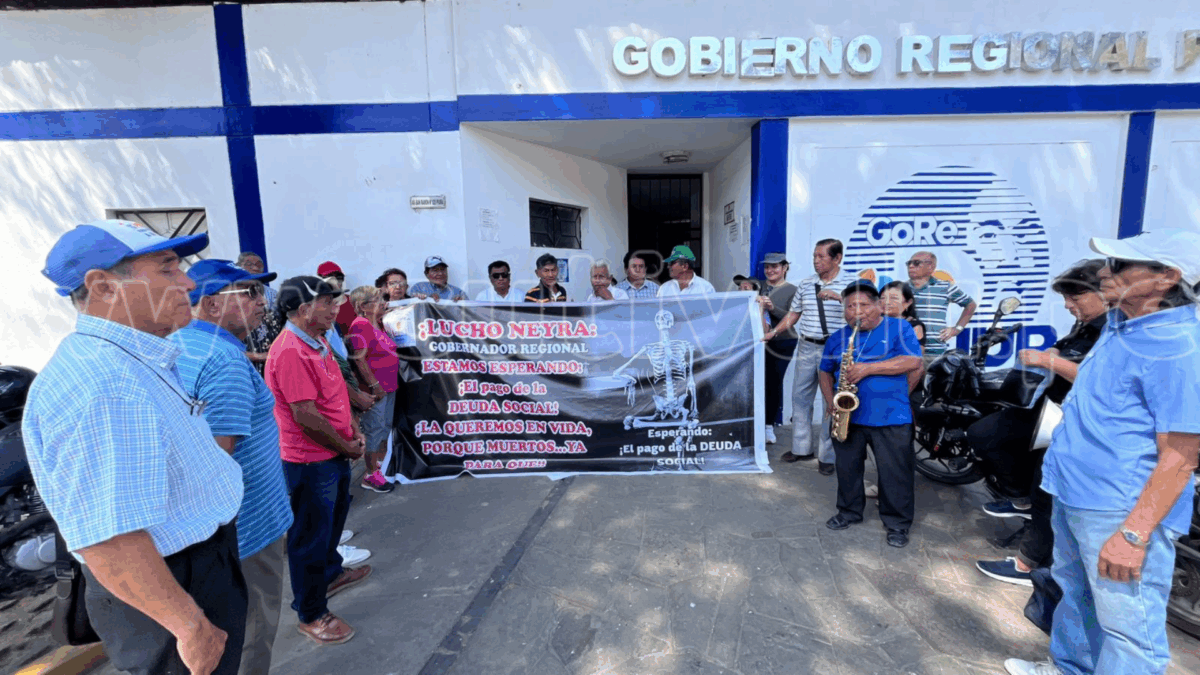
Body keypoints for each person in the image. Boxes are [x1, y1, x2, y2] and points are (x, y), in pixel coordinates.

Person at [23, 220, 247, 674]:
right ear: (104, 287)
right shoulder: (104, 383)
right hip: (170, 586)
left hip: (190, 570)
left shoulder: (127, 362)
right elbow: (110, 538)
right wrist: (189, 626)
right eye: (167, 269)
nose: (188, 283)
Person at [1004, 230, 1200, 675]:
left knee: (1128, 630)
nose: (1105, 273)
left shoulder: (1180, 348)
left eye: (1120, 265)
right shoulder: (1122, 322)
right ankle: (1069, 668)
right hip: (1074, 492)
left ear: (1167, 277)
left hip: (1118, 508)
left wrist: (1133, 535)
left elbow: (1181, 455)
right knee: (1076, 596)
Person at [171, 259, 294, 674]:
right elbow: (215, 459)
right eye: (250, 292)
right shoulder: (222, 359)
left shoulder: (186, 344)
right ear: (210, 304)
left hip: (227, 534)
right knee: (252, 635)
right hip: (248, 531)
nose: (262, 302)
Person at [974, 260, 1108, 587]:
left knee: (1046, 489)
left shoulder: (1115, 329)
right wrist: (1053, 351)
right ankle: (1021, 499)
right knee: (986, 433)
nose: (1068, 305)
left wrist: (1049, 361)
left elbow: (1098, 380)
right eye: (1066, 299)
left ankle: (1029, 566)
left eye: (1075, 298)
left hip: (1079, 423)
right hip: (1050, 410)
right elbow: (1066, 348)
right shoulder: (1086, 324)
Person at [266, 276, 373, 646]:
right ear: (302, 309)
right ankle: (311, 613)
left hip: (335, 450)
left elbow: (336, 390)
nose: (334, 309)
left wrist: (353, 430)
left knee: (332, 523)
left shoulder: (319, 340)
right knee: (310, 537)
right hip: (311, 460)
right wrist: (347, 446)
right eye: (326, 302)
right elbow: (305, 415)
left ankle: (331, 575)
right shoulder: (290, 351)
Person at [819, 280, 923, 549]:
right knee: (847, 469)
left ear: (878, 305)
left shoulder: (899, 328)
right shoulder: (837, 338)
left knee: (895, 473)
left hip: (891, 416)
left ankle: (897, 523)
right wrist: (831, 402)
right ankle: (848, 512)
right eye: (850, 306)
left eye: (863, 305)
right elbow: (824, 371)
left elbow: (913, 361)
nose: (856, 311)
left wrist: (867, 369)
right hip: (848, 417)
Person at [763, 239, 858, 474]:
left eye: (821, 256)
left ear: (837, 258)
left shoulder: (852, 283)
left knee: (830, 402)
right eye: (814, 256)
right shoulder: (806, 284)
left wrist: (840, 298)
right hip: (807, 345)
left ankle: (827, 456)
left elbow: (863, 312)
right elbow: (794, 314)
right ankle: (801, 448)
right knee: (800, 397)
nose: (816, 261)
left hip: (835, 350)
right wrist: (773, 332)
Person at [347, 286, 399, 494]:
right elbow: (359, 359)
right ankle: (369, 475)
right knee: (374, 430)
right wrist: (374, 385)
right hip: (376, 389)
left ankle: (378, 464)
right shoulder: (360, 325)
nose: (382, 302)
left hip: (388, 386)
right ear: (363, 306)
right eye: (377, 300)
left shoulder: (377, 323)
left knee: (384, 427)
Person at [755, 253, 798, 446]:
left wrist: (772, 308)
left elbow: (791, 318)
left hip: (782, 342)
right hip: (758, 341)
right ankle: (755, 424)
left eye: (775, 266)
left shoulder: (793, 290)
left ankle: (768, 426)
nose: (770, 270)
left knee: (773, 383)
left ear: (785, 268)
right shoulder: (757, 286)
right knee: (756, 384)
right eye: (767, 267)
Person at [905, 251, 977, 363]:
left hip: (936, 354)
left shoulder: (945, 286)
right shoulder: (901, 288)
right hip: (907, 352)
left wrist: (957, 328)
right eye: (909, 263)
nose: (911, 266)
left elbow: (970, 304)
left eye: (916, 263)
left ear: (931, 267)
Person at [239, 252, 284, 376]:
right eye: (249, 264)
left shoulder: (273, 303)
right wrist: (260, 356)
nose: (255, 268)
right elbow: (226, 350)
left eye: (259, 264)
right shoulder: (231, 316)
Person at [317, 261, 359, 335]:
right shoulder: (319, 308)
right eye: (330, 277)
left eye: (339, 277)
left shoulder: (355, 301)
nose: (335, 281)